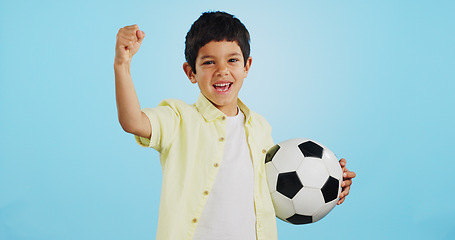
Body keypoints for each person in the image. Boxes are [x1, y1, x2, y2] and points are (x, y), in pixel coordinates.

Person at [114, 11, 356, 240]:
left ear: (246, 66)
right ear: (191, 72)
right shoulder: (179, 119)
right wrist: (122, 65)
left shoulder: (260, 128)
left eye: (232, 60)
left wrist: (328, 178)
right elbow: (133, 121)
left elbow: (272, 192)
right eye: (209, 62)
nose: (222, 71)